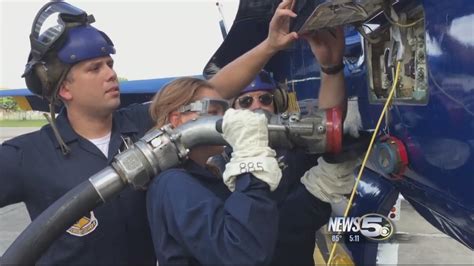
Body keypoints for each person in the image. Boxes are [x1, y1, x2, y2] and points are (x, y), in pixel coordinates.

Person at [0, 0, 297, 264]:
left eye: (110, 64)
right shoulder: (26, 156)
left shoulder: (144, 124)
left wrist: (269, 45)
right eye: (94, 68)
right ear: (64, 88)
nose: (110, 74)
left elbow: (215, 90)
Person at [227, 28, 359, 266]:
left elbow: (326, 128)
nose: (257, 106)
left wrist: (331, 69)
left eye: (265, 99)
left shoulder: (294, 150)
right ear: (234, 112)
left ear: (276, 104)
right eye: (246, 101)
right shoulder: (222, 162)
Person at [146, 77, 282, 265]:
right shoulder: (173, 183)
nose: (224, 120)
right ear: (177, 121)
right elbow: (243, 253)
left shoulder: (206, 175)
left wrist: (316, 190)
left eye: (225, 111)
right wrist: (251, 160)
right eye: (213, 112)